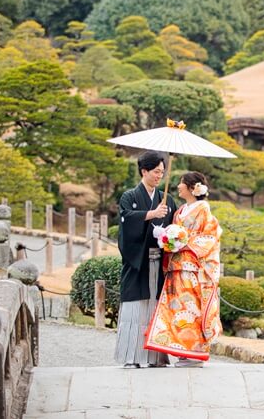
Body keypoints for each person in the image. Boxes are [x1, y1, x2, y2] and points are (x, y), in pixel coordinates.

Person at [144, 171, 222, 367]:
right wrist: (165, 237)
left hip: (192, 268)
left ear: (192, 187)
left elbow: (210, 237)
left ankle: (194, 353)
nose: (178, 186)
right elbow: (176, 235)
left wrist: (183, 241)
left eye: (181, 183)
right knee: (177, 309)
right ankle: (182, 351)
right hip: (176, 266)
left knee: (191, 309)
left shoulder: (203, 209)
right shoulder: (180, 211)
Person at [114, 150, 177, 368]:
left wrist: (170, 237)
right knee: (135, 308)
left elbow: (176, 228)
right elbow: (126, 220)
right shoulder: (129, 197)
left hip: (160, 263)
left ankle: (156, 357)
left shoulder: (166, 199)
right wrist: (151, 214)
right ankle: (131, 357)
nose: (160, 176)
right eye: (156, 171)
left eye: (162, 172)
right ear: (144, 171)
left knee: (155, 308)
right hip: (137, 262)